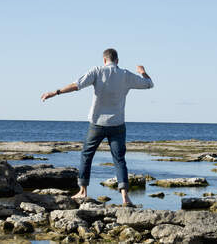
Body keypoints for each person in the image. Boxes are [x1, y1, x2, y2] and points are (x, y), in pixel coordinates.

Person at [41, 48, 154, 206]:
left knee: (87, 155)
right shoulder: (126, 75)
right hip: (117, 124)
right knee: (119, 160)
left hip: (97, 123)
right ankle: (125, 197)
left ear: (104, 60)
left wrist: (56, 92)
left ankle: (83, 192)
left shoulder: (97, 71)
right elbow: (149, 84)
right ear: (117, 61)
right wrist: (143, 72)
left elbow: (76, 85)